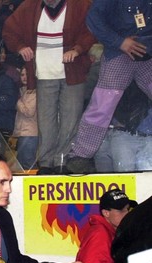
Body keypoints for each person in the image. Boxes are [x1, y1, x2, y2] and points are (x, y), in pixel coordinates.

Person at [2, 0, 96, 175]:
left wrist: (77, 49)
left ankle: (62, 160)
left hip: (72, 73)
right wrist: (20, 47)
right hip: (43, 73)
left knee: (70, 119)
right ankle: (46, 163)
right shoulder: (30, 6)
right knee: (45, 121)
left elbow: (92, 28)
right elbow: (9, 30)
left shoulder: (81, 4)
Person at [65, 0, 152, 174]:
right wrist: (120, 42)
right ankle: (80, 156)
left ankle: (80, 155)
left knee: (101, 106)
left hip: (147, 54)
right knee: (102, 106)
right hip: (118, 54)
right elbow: (93, 19)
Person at [11, 66, 38, 170]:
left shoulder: (34, 92)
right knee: (23, 164)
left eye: (27, 74)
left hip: (30, 133)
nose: (25, 77)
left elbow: (29, 112)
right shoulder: (24, 90)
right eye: (22, 75)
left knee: (28, 164)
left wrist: (18, 101)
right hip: (24, 132)